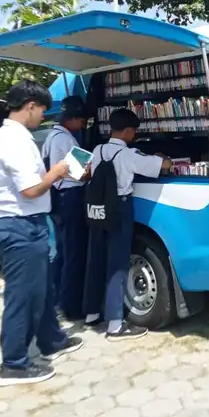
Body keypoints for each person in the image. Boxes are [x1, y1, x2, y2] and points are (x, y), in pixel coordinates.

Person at [0, 80, 83, 386]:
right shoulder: (11, 140)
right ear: (30, 106)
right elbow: (29, 189)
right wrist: (56, 173)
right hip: (17, 227)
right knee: (23, 296)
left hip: (29, 224)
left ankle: (51, 339)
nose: (43, 116)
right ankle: (13, 363)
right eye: (42, 110)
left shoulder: (19, 137)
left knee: (41, 289)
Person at [82, 108, 172, 339]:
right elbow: (162, 167)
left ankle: (92, 313)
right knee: (118, 264)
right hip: (119, 209)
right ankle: (115, 325)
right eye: (134, 132)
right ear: (129, 131)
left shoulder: (97, 150)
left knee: (95, 259)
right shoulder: (128, 155)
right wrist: (163, 159)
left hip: (96, 210)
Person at [41, 95, 90, 321]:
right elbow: (82, 172)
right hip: (70, 196)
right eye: (81, 121)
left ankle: (57, 298)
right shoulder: (66, 140)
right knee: (74, 252)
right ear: (72, 119)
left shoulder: (51, 137)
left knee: (62, 251)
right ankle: (71, 306)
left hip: (57, 199)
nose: (82, 126)